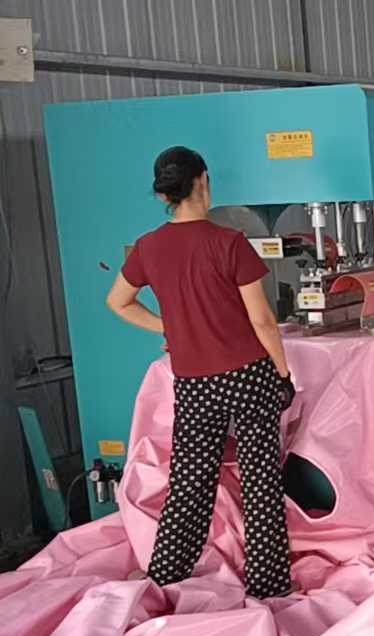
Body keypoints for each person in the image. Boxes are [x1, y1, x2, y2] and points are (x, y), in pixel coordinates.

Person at [106, 146, 297, 598]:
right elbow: (262, 320)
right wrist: (283, 373)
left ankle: (166, 573)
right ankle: (268, 585)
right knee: (260, 480)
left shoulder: (148, 248)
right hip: (249, 375)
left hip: (193, 382)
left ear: (163, 195)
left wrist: (169, 326)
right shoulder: (229, 243)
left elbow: (118, 302)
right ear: (204, 181)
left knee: (190, 481)